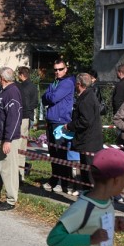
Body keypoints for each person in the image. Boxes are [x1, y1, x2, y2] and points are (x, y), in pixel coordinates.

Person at [63, 73, 104, 194]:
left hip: (89, 141)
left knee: (90, 172)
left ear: (79, 84)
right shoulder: (88, 96)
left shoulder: (87, 99)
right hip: (87, 140)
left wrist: (69, 126)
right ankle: (87, 195)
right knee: (86, 171)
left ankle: (95, 197)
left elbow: (85, 121)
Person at [0, 67, 23, 211]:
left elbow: (13, 118)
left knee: (7, 169)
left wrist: (8, 139)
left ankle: (11, 199)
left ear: (2, 79)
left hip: (6, 138)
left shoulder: (12, 93)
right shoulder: (3, 92)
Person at [42, 59, 76, 193]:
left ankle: (63, 182)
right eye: (55, 69)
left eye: (60, 69)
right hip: (51, 120)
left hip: (61, 121)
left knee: (61, 153)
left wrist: (48, 95)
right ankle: (55, 179)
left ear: (65, 69)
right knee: (53, 153)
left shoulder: (67, 83)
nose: (57, 72)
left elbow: (53, 98)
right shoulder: (55, 82)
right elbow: (44, 98)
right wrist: (48, 95)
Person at [16, 66, 38, 181]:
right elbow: (35, 103)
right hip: (28, 117)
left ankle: (19, 173)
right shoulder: (34, 87)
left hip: (22, 117)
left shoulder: (20, 87)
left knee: (18, 146)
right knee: (23, 146)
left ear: (21, 75)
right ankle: (21, 173)